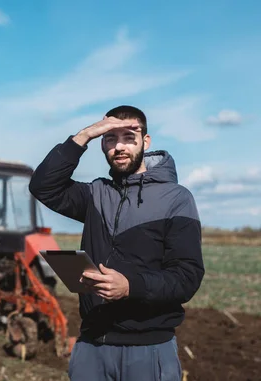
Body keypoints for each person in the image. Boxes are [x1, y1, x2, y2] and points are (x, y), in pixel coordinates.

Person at [29, 105, 205, 380]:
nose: (119, 146)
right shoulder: (95, 194)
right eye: (110, 138)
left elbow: (187, 277)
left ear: (145, 142)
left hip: (148, 348)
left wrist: (130, 286)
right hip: (91, 346)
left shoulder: (176, 199)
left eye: (128, 137)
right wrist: (83, 136)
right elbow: (43, 186)